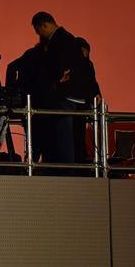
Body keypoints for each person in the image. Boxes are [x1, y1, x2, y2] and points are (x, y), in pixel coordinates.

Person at [31, 11, 86, 168]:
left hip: (63, 96)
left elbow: (57, 68)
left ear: (44, 25)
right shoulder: (68, 38)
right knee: (62, 138)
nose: (38, 35)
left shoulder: (60, 40)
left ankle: (64, 171)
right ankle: (63, 169)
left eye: (38, 30)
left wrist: (54, 81)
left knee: (62, 139)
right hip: (68, 95)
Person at [72, 36, 102, 164]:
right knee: (75, 135)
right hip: (74, 104)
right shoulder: (76, 64)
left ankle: (80, 158)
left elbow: (92, 83)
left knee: (79, 135)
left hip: (82, 105)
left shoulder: (88, 65)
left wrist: (97, 95)